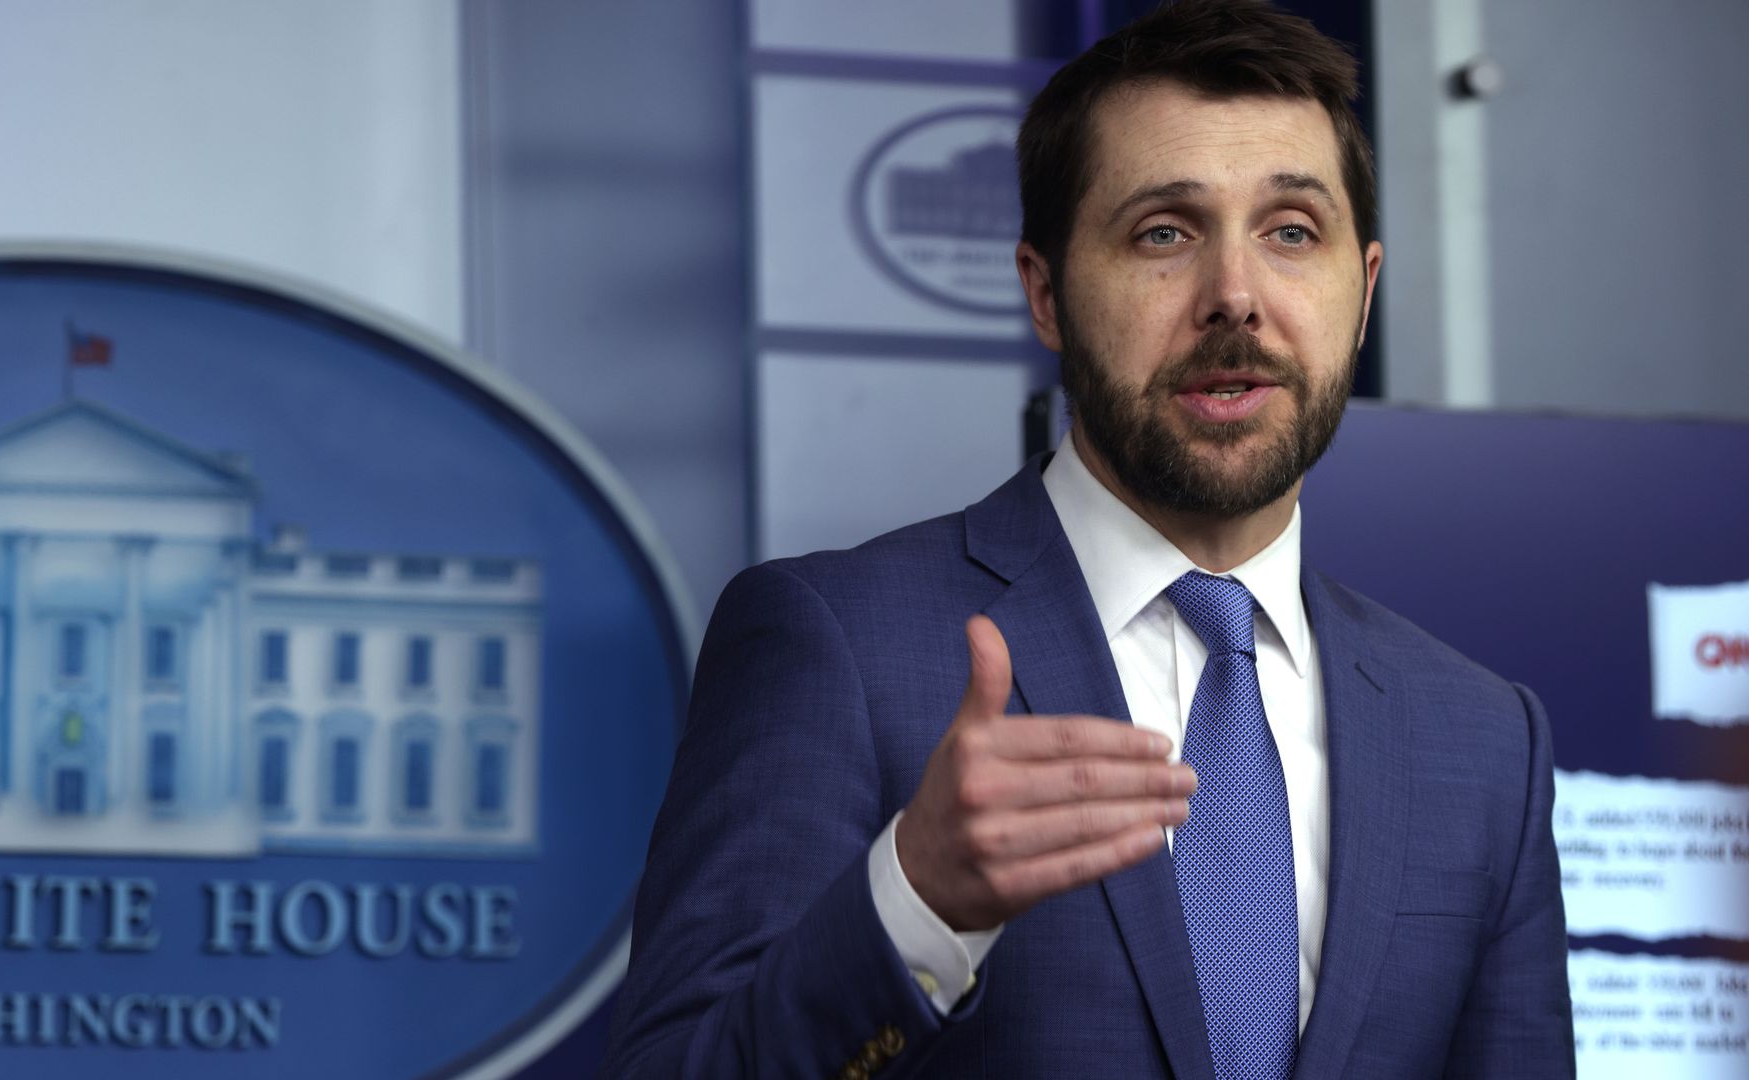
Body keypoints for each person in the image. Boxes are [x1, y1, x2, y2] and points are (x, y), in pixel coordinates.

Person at [600, 1, 1573, 1076]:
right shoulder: (835, 643)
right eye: (1164, 232)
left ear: (1363, 290)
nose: (1235, 297)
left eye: (1292, 232)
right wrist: (915, 902)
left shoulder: (1483, 741)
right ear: (1045, 292)